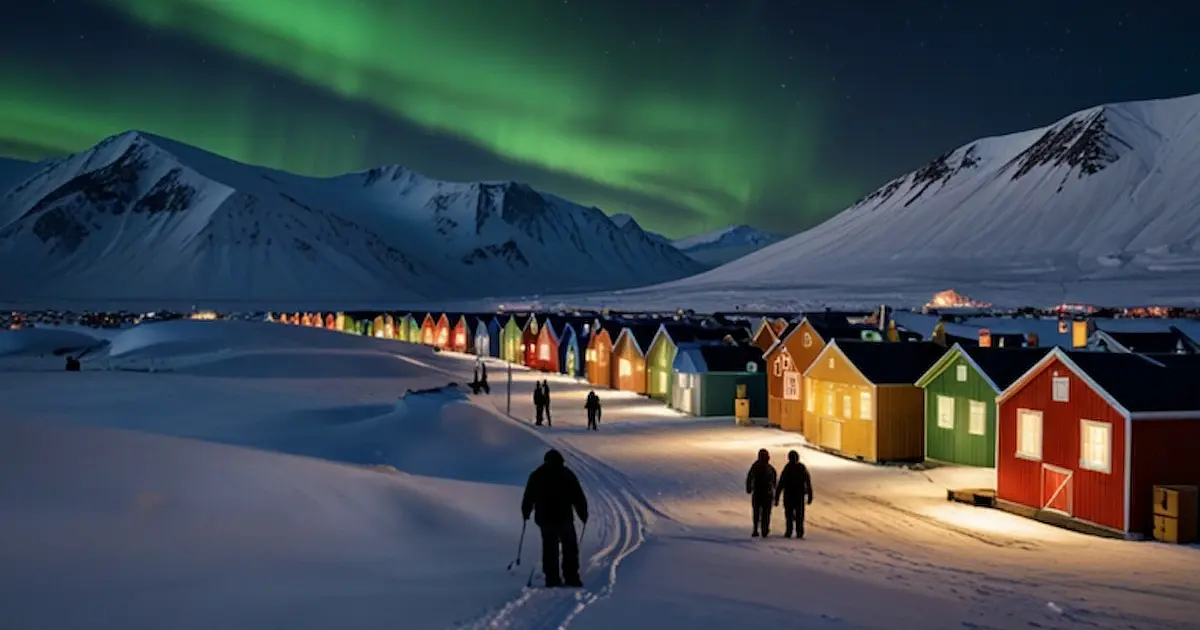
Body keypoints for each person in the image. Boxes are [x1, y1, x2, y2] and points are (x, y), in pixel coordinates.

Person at [521, 449, 588, 588]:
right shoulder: (567, 474)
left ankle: (552, 578)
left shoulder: (537, 475)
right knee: (570, 548)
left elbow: (529, 496)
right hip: (564, 518)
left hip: (545, 519)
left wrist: (526, 513)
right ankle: (571, 577)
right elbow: (578, 496)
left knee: (549, 548)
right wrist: (583, 514)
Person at [774, 450, 814, 538]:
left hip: (789, 495)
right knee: (799, 514)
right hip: (799, 495)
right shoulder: (801, 468)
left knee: (789, 514)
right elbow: (807, 482)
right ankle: (799, 532)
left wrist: (777, 497)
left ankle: (789, 531)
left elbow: (781, 483)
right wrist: (810, 495)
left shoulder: (787, 468)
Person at [745, 448, 777, 537]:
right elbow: (774, 480)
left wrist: (749, 488)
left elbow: (749, 477)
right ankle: (763, 529)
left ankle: (758, 529)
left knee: (758, 512)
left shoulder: (756, 466)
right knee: (765, 512)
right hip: (765, 493)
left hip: (760, 493)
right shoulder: (769, 468)